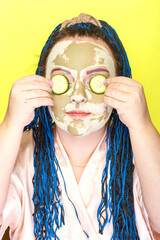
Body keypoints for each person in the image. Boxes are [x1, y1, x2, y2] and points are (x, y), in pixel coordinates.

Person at [0, 13, 160, 240]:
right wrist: (9, 125)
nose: (77, 96)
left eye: (95, 80)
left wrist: (142, 125)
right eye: (62, 79)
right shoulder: (18, 150)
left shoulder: (139, 149)